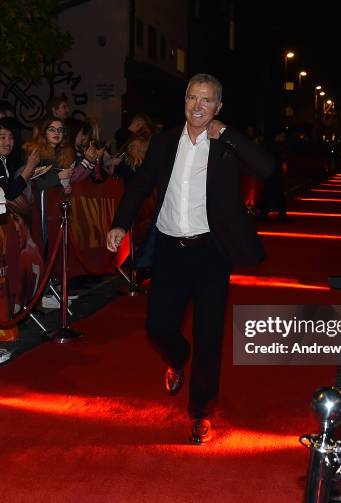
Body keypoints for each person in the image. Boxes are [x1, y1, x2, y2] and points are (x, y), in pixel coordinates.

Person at [106, 73, 274, 444]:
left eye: (206, 100)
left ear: (218, 107)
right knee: (157, 327)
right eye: (191, 98)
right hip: (169, 250)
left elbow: (266, 168)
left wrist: (227, 134)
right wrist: (120, 223)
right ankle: (177, 357)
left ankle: (201, 413)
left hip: (212, 252)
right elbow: (141, 184)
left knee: (209, 337)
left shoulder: (226, 145)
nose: (197, 107)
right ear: (183, 101)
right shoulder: (166, 142)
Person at [0, 118, 39, 200]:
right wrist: (29, 168)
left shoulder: (3, 157)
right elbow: (8, 194)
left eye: (11, 138)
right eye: (2, 138)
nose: (8, 142)